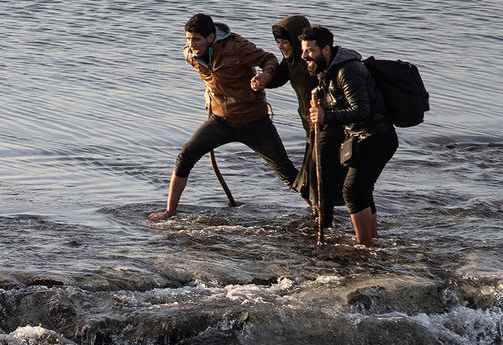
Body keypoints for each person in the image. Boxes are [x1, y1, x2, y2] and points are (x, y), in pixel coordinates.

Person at [148, 13, 299, 221]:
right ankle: (170, 211)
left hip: (254, 120)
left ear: (210, 37)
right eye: (188, 39)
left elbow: (268, 58)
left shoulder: (237, 47)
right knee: (185, 156)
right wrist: (209, 96)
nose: (191, 44)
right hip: (220, 120)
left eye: (196, 39)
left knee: (288, 174)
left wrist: (264, 76)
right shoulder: (190, 55)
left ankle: (322, 213)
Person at [300, 26, 398, 245]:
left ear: (326, 50)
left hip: (376, 137)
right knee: (361, 190)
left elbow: (361, 110)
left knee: (353, 191)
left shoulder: (347, 70)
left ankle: (364, 246)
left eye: (309, 50)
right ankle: (371, 242)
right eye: (303, 50)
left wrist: (326, 116)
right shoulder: (328, 70)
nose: (304, 55)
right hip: (363, 138)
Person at [258, 15, 345, 227]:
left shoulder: (313, 63)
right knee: (311, 180)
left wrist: (326, 103)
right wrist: (262, 78)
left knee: (320, 178)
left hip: (325, 126)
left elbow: (333, 85)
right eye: (278, 43)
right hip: (310, 127)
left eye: (286, 42)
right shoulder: (293, 61)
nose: (282, 47)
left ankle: (325, 222)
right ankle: (321, 217)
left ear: (298, 41)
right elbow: (278, 78)